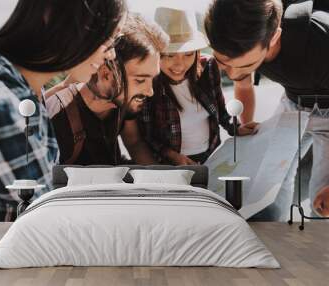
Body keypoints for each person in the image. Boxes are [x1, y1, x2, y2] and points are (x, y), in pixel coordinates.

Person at [0, 0, 127, 221]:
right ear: (53, 15)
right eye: (107, 39)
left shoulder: (26, 94)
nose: (111, 55)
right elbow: (41, 213)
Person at [204, 0, 329, 218]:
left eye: (243, 66)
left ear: (274, 38)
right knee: (271, 180)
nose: (233, 73)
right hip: (292, 104)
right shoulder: (240, 36)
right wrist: (245, 126)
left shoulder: (320, 41)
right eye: (223, 62)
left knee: (322, 200)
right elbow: (243, 85)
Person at [137, 7, 257, 166]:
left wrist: (236, 128)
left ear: (197, 52)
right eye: (170, 55)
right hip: (171, 164)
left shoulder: (208, 67)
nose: (180, 64)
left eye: (188, 54)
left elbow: (221, 110)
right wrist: (173, 156)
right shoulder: (147, 81)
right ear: (156, 53)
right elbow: (147, 135)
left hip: (211, 155)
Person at [44, 14, 169, 165]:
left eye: (152, 79)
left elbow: (134, 142)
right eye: (140, 80)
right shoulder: (57, 115)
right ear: (105, 74)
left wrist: (160, 182)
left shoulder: (121, 101)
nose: (150, 91)